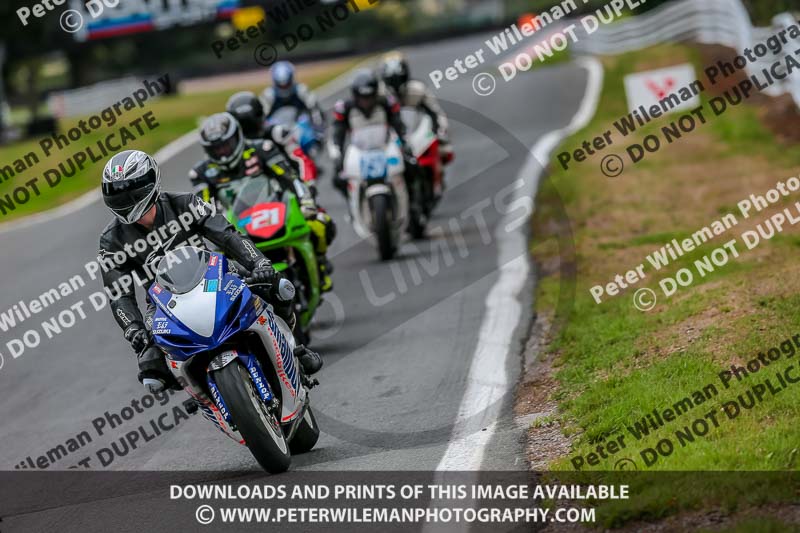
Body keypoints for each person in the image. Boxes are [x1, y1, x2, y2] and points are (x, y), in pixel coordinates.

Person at [98, 149, 323, 393]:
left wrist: (260, 264)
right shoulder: (111, 241)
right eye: (119, 197)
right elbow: (118, 294)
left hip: (217, 275)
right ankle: (200, 393)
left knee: (278, 287)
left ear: (150, 183)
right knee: (150, 369)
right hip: (162, 303)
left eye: (133, 192)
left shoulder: (185, 203)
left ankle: (295, 349)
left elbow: (227, 236)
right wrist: (133, 328)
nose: (128, 202)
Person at [189, 113, 335, 292]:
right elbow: (205, 207)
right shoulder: (202, 172)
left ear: (238, 137)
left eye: (226, 146)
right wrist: (212, 233)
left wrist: (305, 200)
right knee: (215, 261)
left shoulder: (262, 149)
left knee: (320, 222)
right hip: (237, 224)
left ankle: (319, 265)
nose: (222, 152)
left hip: (276, 209)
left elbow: (289, 176)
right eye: (217, 149)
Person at [330, 69, 421, 206]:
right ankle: (353, 203)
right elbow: (338, 134)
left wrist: (405, 144)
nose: (366, 102)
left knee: (412, 166)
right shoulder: (345, 108)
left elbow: (399, 125)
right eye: (362, 98)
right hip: (358, 151)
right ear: (355, 95)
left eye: (369, 97)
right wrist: (338, 156)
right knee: (338, 178)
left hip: (385, 147)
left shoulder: (386, 103)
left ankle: (412, 202)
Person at [226, 91, 318, 185]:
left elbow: (301, 159)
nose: (249, 130)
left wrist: (307, 185)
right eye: (245, 125)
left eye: (250, 125)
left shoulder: (278, 134)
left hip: (286, 189)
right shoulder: (230, 146)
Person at [379, 52, 453, 164]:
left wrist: (440, 131)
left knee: (445, 151)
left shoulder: (418, 89)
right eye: (392, 80)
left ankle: (437, 178)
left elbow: (436, 112)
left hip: (419, 135)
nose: (396, 84)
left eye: (398, 79)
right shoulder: (380, 95)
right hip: (393, 139)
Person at [261, 61, 325, 135]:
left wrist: (318, 130)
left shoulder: (302, 90)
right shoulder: (268, 95)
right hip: (278, 134)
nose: (284, 88)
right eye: (281, 86)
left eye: (286, 84)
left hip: (302, 132)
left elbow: (315, 111)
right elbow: (261, 118)